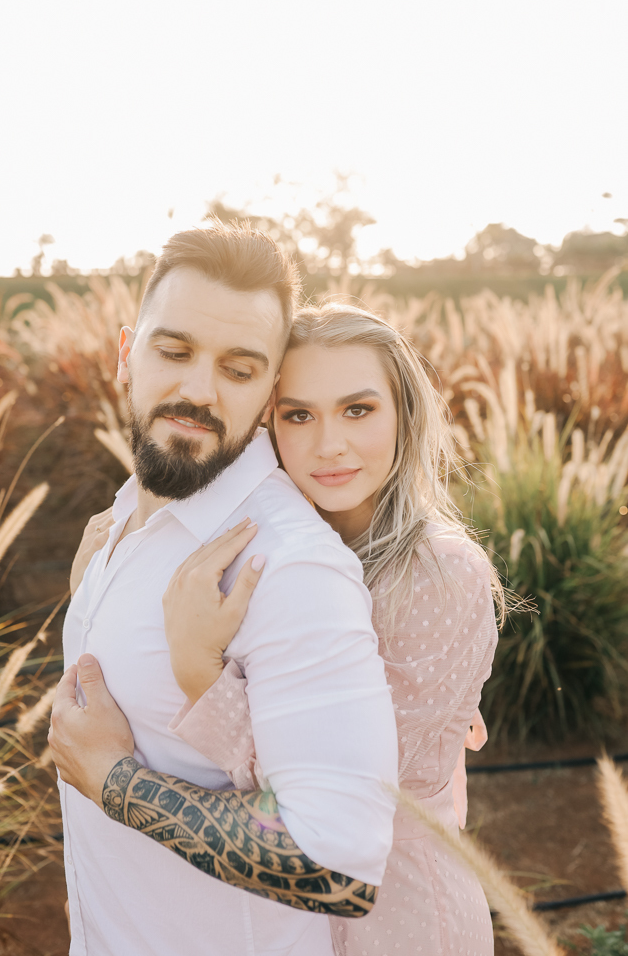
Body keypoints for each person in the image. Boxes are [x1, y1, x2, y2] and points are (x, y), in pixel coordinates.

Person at [48, 221, 399, 956]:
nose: (197, 389)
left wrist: (116, 783)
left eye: (238, 370)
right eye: (173, 352)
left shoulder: (289, 568)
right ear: (125, 354)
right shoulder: (122, 514)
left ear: (270, 391)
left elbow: (337, 866)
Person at [140, 303, 502, 956]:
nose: (328, 444)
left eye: (357, 410)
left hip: (393, 915)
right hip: (274, 911)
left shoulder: (439, 574)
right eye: (298, 414)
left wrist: (197, 666)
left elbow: (337, 784)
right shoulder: (274, 556)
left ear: (403, 415)